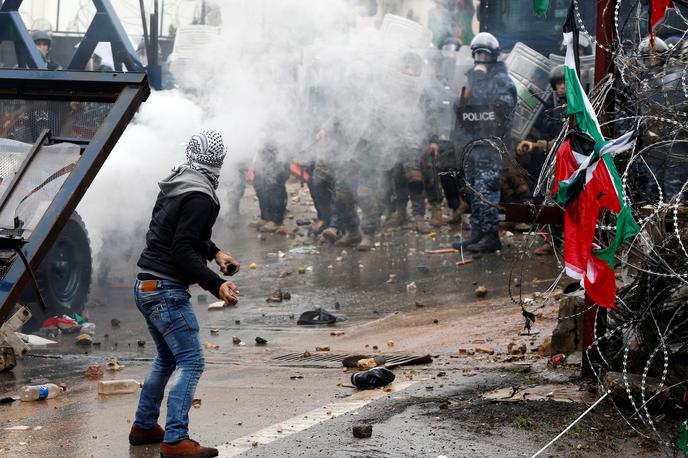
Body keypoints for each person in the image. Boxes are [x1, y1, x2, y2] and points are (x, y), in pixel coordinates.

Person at [130, 130, 240, 458]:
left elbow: (180, 234)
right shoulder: (200, 195)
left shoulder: (179, 178)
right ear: (218, 161)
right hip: (165, 290)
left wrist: (216, 253)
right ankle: (176, 439)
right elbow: (181, 249)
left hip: (147, 285)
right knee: (191, 360)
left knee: (166, 358)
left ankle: (144, 425)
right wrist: (215, 283)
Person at [452, 32, 516, 253]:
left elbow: (503, 110)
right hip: (471, 145)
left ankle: (490, 236)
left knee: (485, 190)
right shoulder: (471, 79)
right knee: (472, 190)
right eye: (477, 53)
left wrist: (477, 102)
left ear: (494, 56)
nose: (481, 58)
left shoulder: (501, 80)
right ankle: (477, 232)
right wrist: (462, 101)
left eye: (485, 54)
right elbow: (459, 108)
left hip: (489, 146)